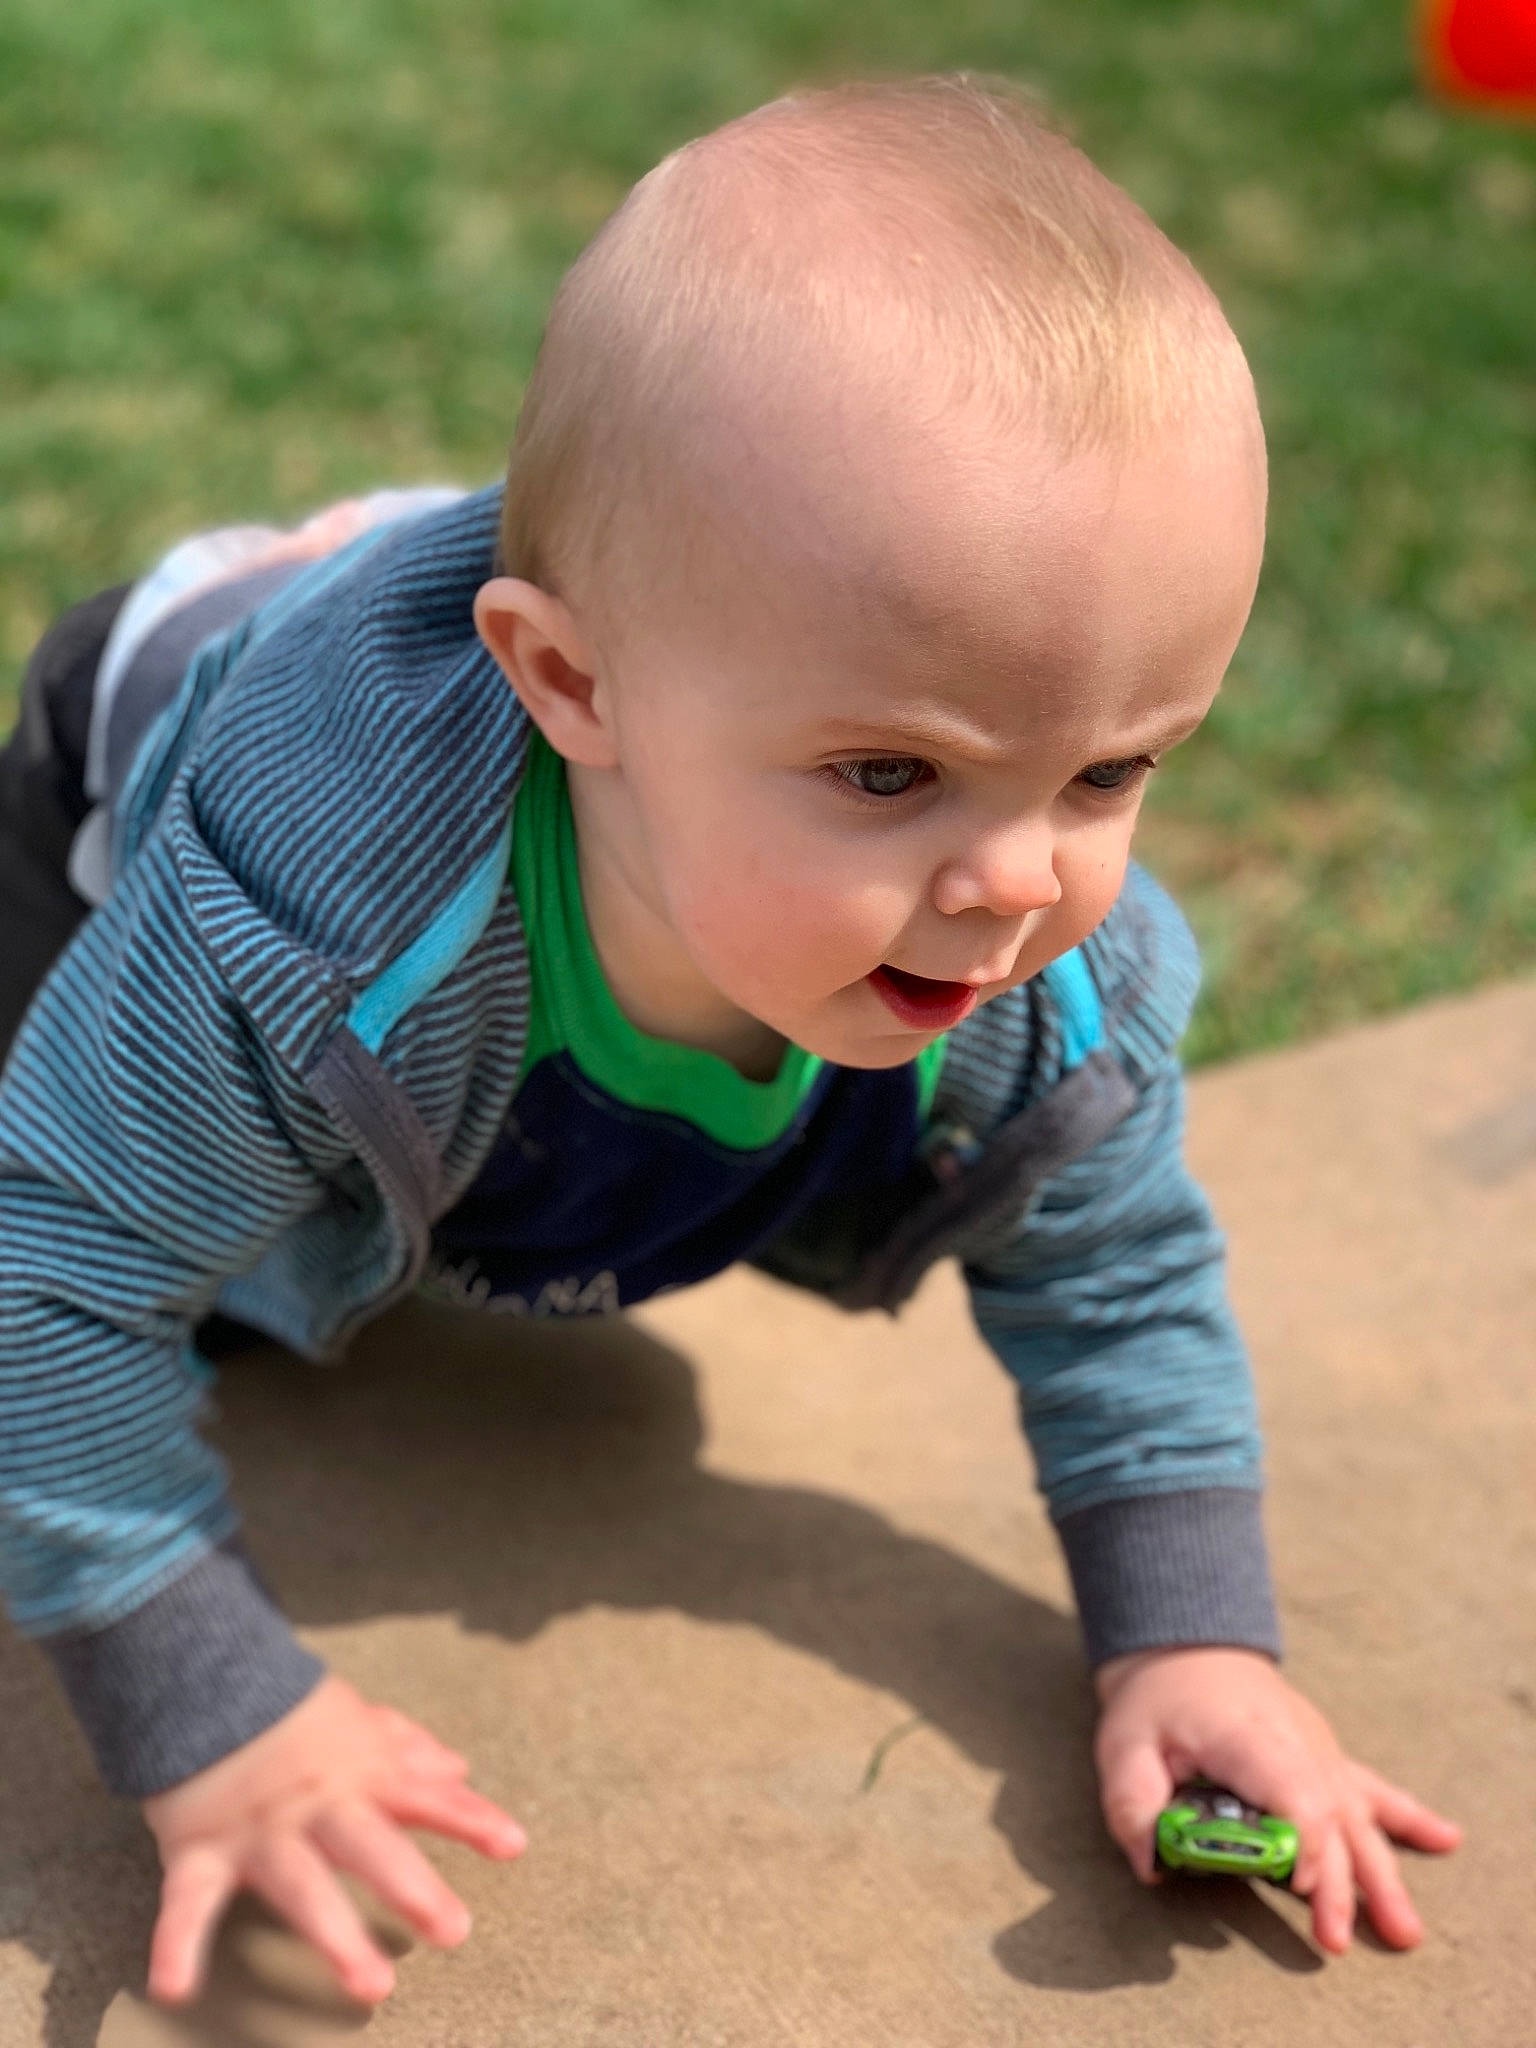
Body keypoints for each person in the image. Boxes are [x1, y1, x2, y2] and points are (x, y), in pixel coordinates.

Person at [0, 74, 1460, 2010]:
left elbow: (1119, 1268)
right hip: (134, 793)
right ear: (571, 682)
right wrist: (208, 1709)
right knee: (126, 1200)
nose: (1015, 879)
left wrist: (1192, 1639)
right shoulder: (308, 929)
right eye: (890, 771)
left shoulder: (1028, 973)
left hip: (601, 744)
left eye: (1114, 767)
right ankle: (348, 588)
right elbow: (53, 1271)